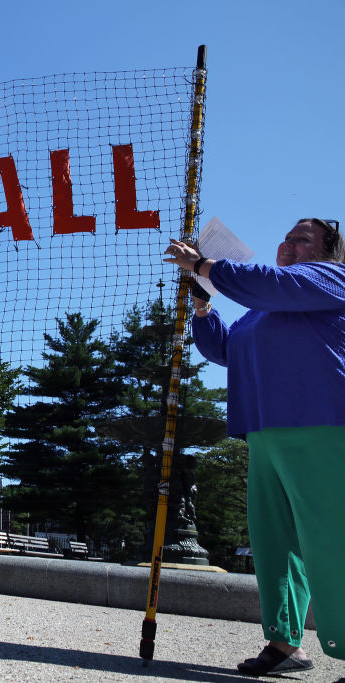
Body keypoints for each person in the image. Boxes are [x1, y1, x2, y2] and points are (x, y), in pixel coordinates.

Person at [164, 218, 345, 676]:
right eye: (285, 236)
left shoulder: (331, 278)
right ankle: (285, 644)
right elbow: (226, 350)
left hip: (321, 422)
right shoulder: (261, 309)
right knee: (274, 541)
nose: (288, 242)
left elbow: (270, 285)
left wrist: (206, 263)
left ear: (329, 252)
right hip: (264, 431)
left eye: (302, 238)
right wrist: (204, 309)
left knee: (331, 540)